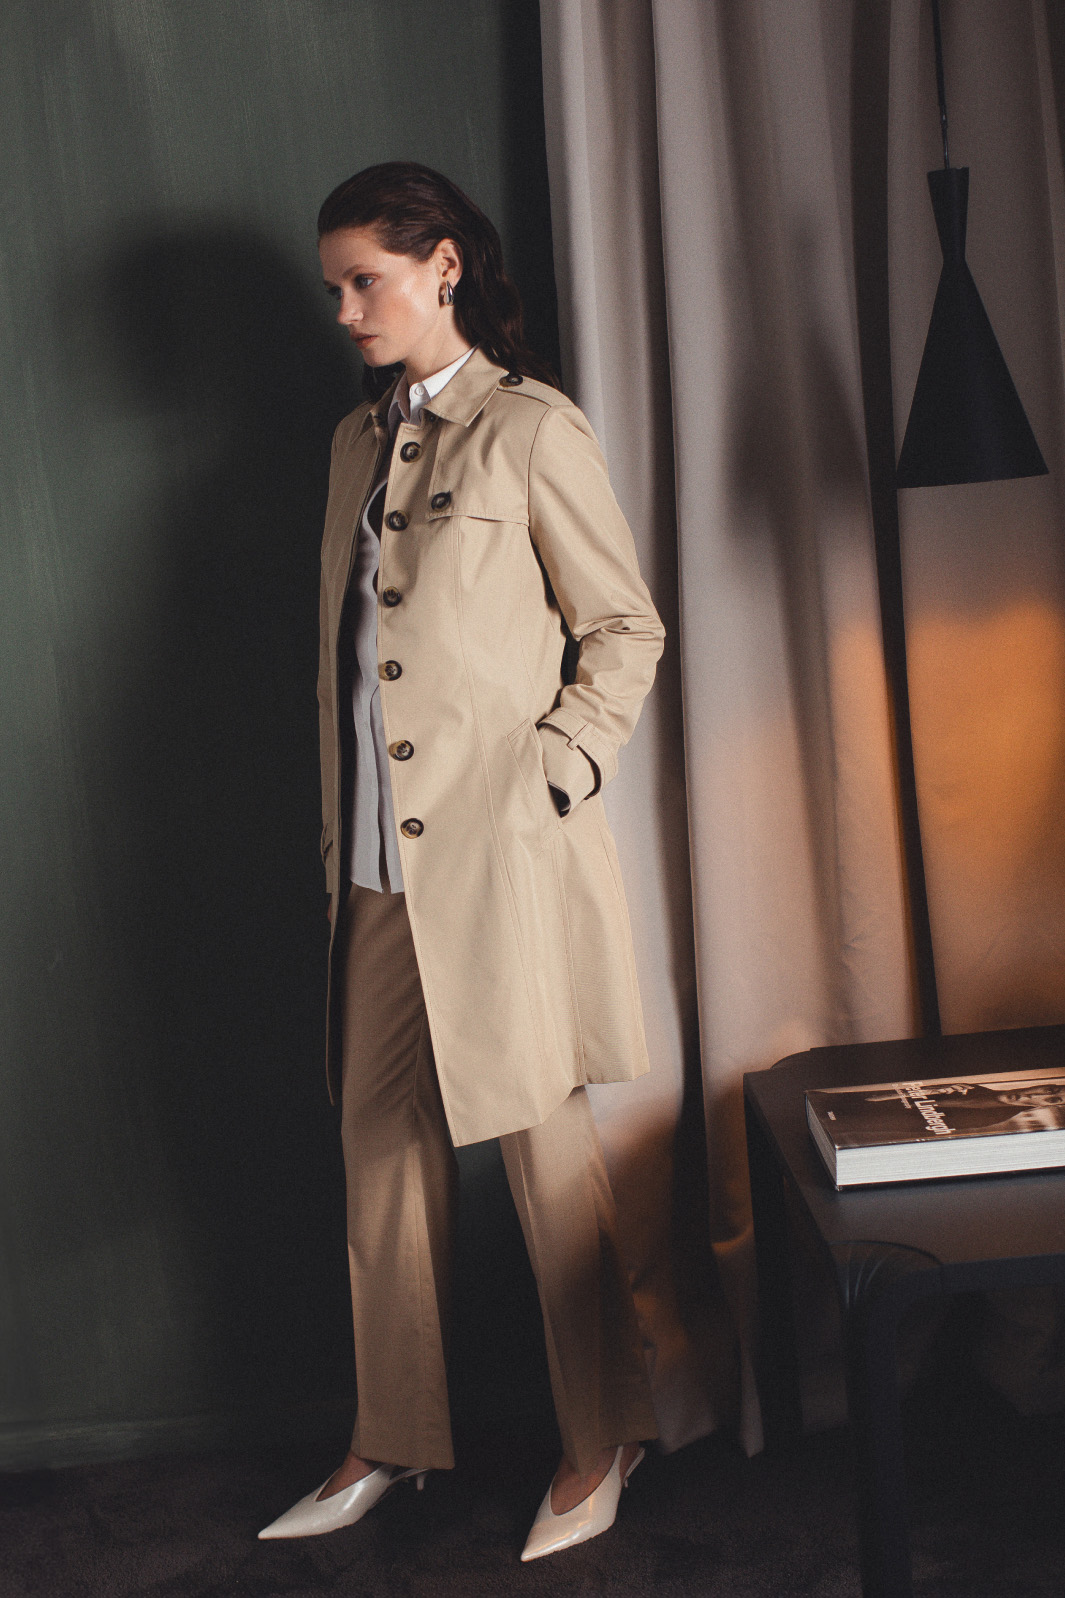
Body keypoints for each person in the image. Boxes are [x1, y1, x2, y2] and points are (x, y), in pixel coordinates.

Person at [258, 162, 665, 1561]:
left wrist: (551, 772)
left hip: (503, 864)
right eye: (333, 288)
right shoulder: (349, 443)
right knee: (378, 1152)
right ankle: (391, 1435)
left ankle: (603, 1435)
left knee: (548, 1154)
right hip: (375, 872)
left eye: (363, 281)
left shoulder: (531, 428)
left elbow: (623, 630)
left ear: (441, 265)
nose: (344, 310)